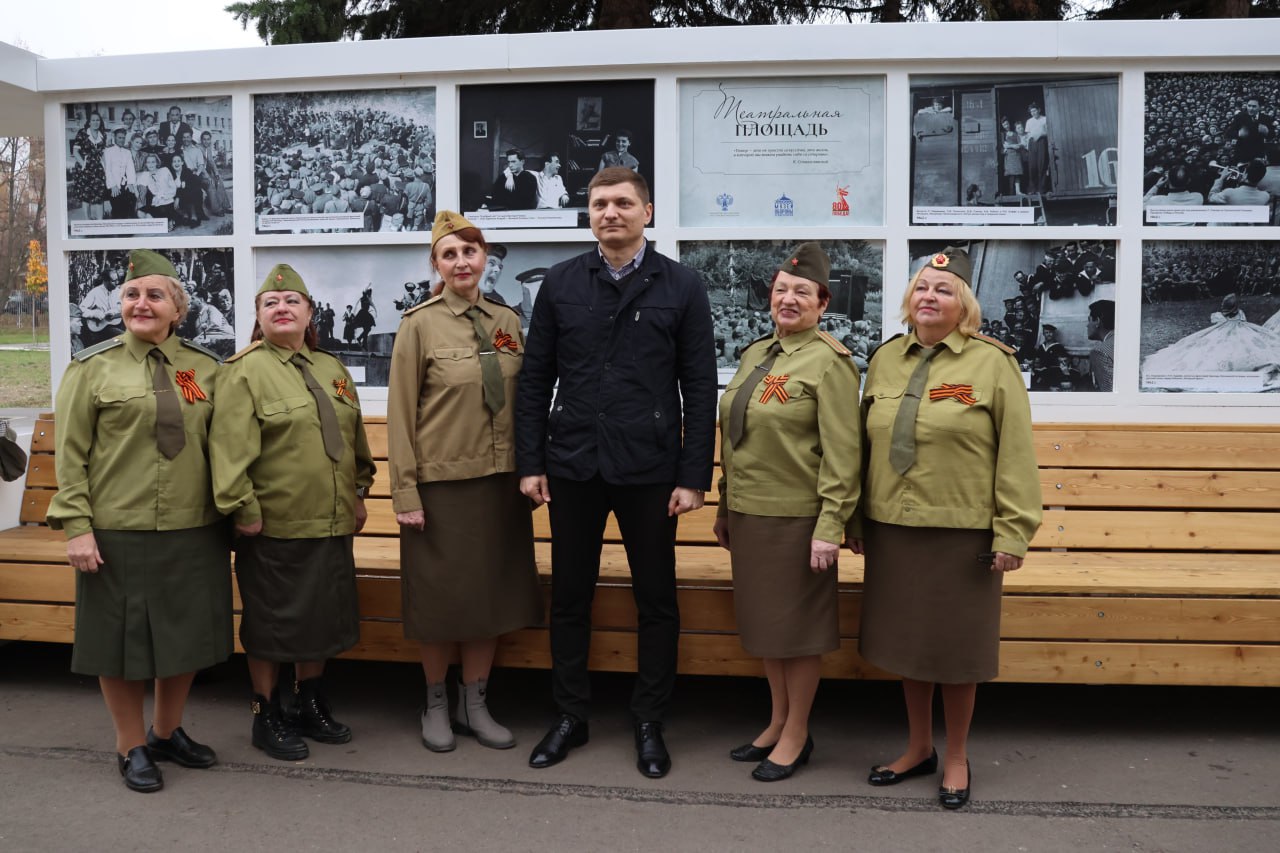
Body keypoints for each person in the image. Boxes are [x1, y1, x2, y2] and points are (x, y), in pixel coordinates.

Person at [515, 167, 716, 778]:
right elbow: (535, 379)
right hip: (573, 462)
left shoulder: (681, 285)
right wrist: (531, 463)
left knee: (655, 598)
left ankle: (649, 719)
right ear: (589, 213)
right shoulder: (562, 282)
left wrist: (693, 475)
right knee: (570, 596)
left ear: (647, 212)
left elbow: (699, 387)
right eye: (600, 204)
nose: (611, 213)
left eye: (623, 203)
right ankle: (571, 715)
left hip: (650, 466)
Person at [850, 247, 1042, 810]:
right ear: (909, 300)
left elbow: (1016, 454)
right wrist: (856, 517)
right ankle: (917, 748)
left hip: (963, 532)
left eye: (945, 289)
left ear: (965, 305)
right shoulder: (885, 360)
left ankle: (955, 755)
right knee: (910, 646)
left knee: (956, 652)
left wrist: (1012, 532)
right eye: (922, 288)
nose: (930, 296)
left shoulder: (992, 363)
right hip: (895, 527)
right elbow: (864, 447)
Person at [47, 249, 231, 793]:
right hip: (116, 529)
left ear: (179, 309)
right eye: (132, 295)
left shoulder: (206, 368)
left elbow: (223, 446)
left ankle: (166, 732)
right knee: (120, 644)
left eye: (154, 295)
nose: (140, 304)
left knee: (184, 637)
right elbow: (70, 456)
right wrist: (77, 527)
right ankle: (130, 746)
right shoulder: (91, 368)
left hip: (191, 526)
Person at [387, 211, 544, 753]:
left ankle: (475, 702)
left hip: (500, 484)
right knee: (440, 602)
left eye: (470, 253)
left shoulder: (507, 322)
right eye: (449, 255)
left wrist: (532, 470)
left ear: (486, 260)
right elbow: (401, 416)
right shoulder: (418, 325)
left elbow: (526, 405)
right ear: (436, 263)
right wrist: (404, 493)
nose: (461, 262)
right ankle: (435, 702)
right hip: (441, 487)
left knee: (488, 599)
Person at [210, 264, 376, 762]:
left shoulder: (332, 369)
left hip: (330, 519)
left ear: (309, 313)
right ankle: (267, 712)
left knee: (321, 616)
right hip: (274, 524)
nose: (282, 309)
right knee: (271, 622)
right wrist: (244, 509)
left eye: (292, 303)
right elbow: (228, 451)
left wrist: (360, 491)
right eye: (270, 304)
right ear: (259, 319)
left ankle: (309, 702)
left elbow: (354, 441)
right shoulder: (243, 371)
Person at [711, 243, 861, 783]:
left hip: (799, 519)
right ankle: (777, 720)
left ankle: (798, 731)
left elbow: (844, 455)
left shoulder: (832, 363)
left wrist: (830, 528)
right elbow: (735, 439)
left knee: (796, 633)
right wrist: (726, 504)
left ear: (823, 302)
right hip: (751, 514)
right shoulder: (756, 354)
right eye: (780, 290)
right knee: (767, 628)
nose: (788, 299)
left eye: (802, 292)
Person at [72, 110, 110, 221]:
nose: (95, 122)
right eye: (93, 120)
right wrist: (83, 165)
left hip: (98, 168)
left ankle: (100, 221)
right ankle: (87, 221)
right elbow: (75, 152)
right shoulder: (82, 133)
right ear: (89, 122)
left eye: (98, 120)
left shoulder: (103, 135)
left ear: (100, 122)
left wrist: (106, 168)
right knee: (86, 196)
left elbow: (103, 153)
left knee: (100, 195)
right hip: (85, 168)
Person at [102, 127, 138, 219]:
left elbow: (130, 168)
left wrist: (130, 182)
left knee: (131, 199)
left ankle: (129, 226)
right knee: (117, 205)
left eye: (123, 138)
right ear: (114, 137)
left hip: (125, 183)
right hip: (113, 184)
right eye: (119, 137)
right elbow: (108, 170)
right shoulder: (108, 151)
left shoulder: (127, 152)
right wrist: (113, 185)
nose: (122, 140)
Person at [138, 152, 179, 226]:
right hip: (155, 203)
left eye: (153, 162)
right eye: (148, 162)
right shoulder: (145, 175)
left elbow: (173, 188)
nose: (151, 164)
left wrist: (162, 196)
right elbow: (136, 183)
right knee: (140, 213)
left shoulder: (164, 170)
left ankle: (170, 219)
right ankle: (166, 221)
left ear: (157, 163)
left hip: (167, 201)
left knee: (149, 217)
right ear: (146, 164)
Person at [1087, 299, 1116, 391]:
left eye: (1089, 320)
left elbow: (1109, 392)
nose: (1087, 325)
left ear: (1098, 321)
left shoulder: (1100, 352)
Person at [1025, 103, 1049, 195]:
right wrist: (1028, 147)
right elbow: (1028, 135)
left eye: (1034, 111)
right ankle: (1032, 189)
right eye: (1031, 112)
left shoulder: (1045, 119)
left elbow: (1048, 132)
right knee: (1032, 167)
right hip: (1032, 144)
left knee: (1042, 165)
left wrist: (1041, 134)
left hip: (1042, 142)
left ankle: (1042, 189)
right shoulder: (1029, 121)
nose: (1033, 113)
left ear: (1039, 110)